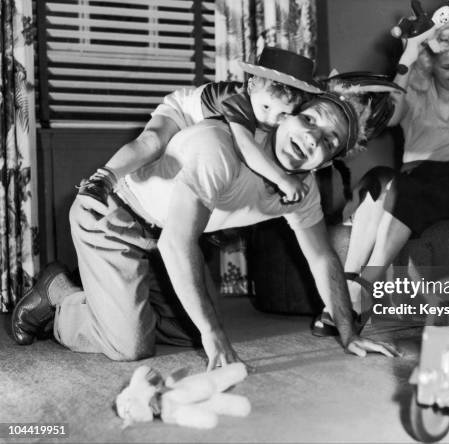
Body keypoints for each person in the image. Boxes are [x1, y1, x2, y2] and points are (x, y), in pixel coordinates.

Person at [11, 90, 399, 369]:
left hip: (158, 237)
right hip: (112, 217)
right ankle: (60, 293)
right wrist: (214, 336)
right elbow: (178, 245)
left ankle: (117, 293)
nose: (312, 137)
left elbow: (321, 257)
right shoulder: (219, 147)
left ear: (324, 162)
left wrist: (348, 332)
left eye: (328, 140)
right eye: (310, 119)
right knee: (131, 346)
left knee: (184, 334)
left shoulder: (302, 189)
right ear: (284, 117)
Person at [312, 15, 449, 336]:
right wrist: (409, 53)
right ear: (429, 65)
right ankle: (351, 290)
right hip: (411, 181)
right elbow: (388, 118)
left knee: (394, 185)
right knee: (382, 179)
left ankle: (353, 292)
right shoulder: (414, 96)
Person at [81, 47, 322, 208]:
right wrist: (282, 180)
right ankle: (102, 180)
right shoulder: (239, 101)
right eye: (267, 107)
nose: (270, 119)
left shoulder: (267, 116)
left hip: (209, 130)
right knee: (152, 142)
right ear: (251, 85)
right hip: (183, 112)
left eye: (282, 114)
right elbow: (248, 149)